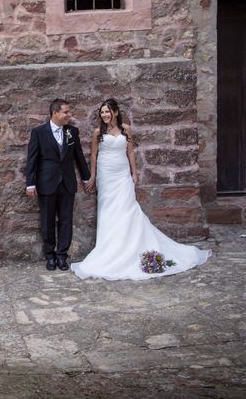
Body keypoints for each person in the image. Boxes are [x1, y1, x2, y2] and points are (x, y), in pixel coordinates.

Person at [72, 98, 210, 280]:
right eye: (102, 112)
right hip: (106, 175)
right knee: (108, 211)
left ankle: (132, 246)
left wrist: (134, 173)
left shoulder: (126, 129)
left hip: (122, 174)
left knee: (128, 208)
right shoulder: (98, 132)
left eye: (107, 111)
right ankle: (110, 248)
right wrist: (92, 176)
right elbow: (94, 155)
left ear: (115, 112)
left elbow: (130, 152)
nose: (104, 115)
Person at [26, 99, 91, 271]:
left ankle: (62, 255)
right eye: (66, 112)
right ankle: (50, 256)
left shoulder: (72, 132)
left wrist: (86, 178)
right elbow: (32, 159)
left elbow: (79, 156)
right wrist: (30, 183)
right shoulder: (39, 132)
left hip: (68, 183)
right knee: (47, 220)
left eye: (69, 112)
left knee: (66, 220)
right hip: (47, 182)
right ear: (55, 113)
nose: (69, 115)